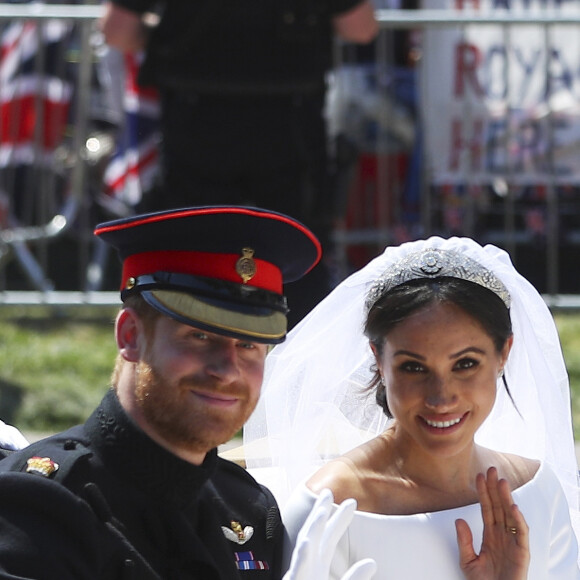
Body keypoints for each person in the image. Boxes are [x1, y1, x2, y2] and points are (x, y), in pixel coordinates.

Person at [0, 205, 376, 580]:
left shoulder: (250, 510)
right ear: (131, 336)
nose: (227, 370)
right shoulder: (41, 502)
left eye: (249, 346)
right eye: (200, 336)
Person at [244, 236, 580, 578]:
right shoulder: (331, 509)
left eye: (465, 364)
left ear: (503, 354)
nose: (441, 397)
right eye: (414, 367)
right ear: (378, 361)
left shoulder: (537, 490)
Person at [98, 0, 378, 327]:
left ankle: (191, 347)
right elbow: (361, 28)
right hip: (289, 122)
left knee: (194, 248)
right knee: (298, 247)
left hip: (197, 119)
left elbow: (117, 31)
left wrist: (167, 32)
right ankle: (298, 361)